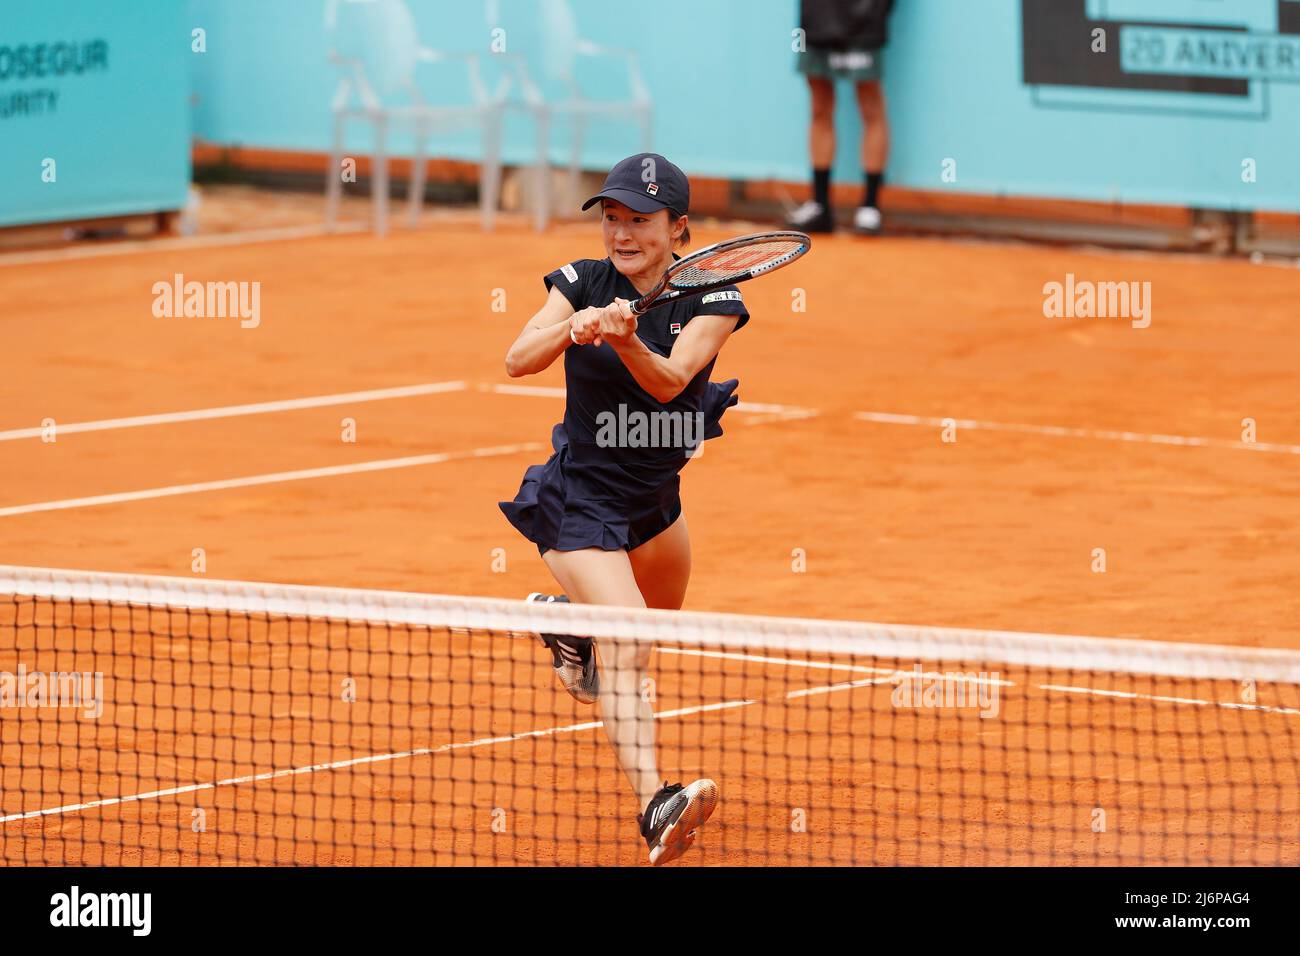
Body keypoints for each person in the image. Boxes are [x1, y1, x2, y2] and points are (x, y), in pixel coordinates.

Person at [500, 152, 750, 864]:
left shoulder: (714, 296)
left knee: (645, 637)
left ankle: (570, 629)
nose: (622, 233)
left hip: (655, 508)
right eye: (612, 217)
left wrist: (626, 336)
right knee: (632, 645)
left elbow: (673, 384)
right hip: (579, 501)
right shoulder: (581, 279)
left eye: (639, 219)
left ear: (679, 228)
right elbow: (518, 358)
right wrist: (574, 325)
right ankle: (656, 802)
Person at [788, 0, 895, 236]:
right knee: (819, 109)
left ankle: (870, 207)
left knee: (871, 109)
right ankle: (821, 205)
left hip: (866, 23)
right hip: (816, 22)